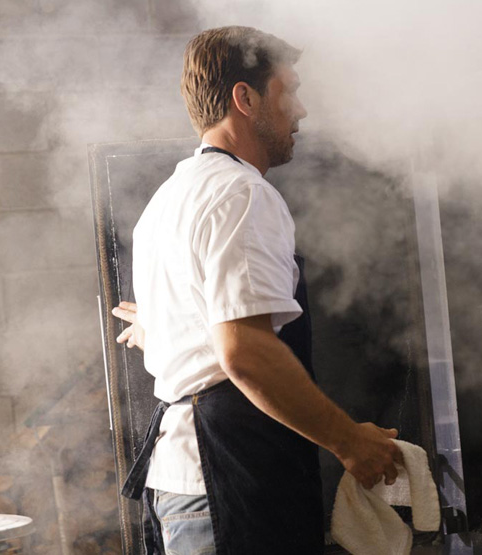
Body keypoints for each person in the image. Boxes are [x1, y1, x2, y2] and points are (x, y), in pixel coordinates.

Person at [111, 26, 402, 555]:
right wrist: (349, 442)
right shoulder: (243, 193)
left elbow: (199, 339)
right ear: (244, 99)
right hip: (226, 478)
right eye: (287, 91)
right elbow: (244, 353)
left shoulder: (168, 199)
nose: (301, 110)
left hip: (184, 481)